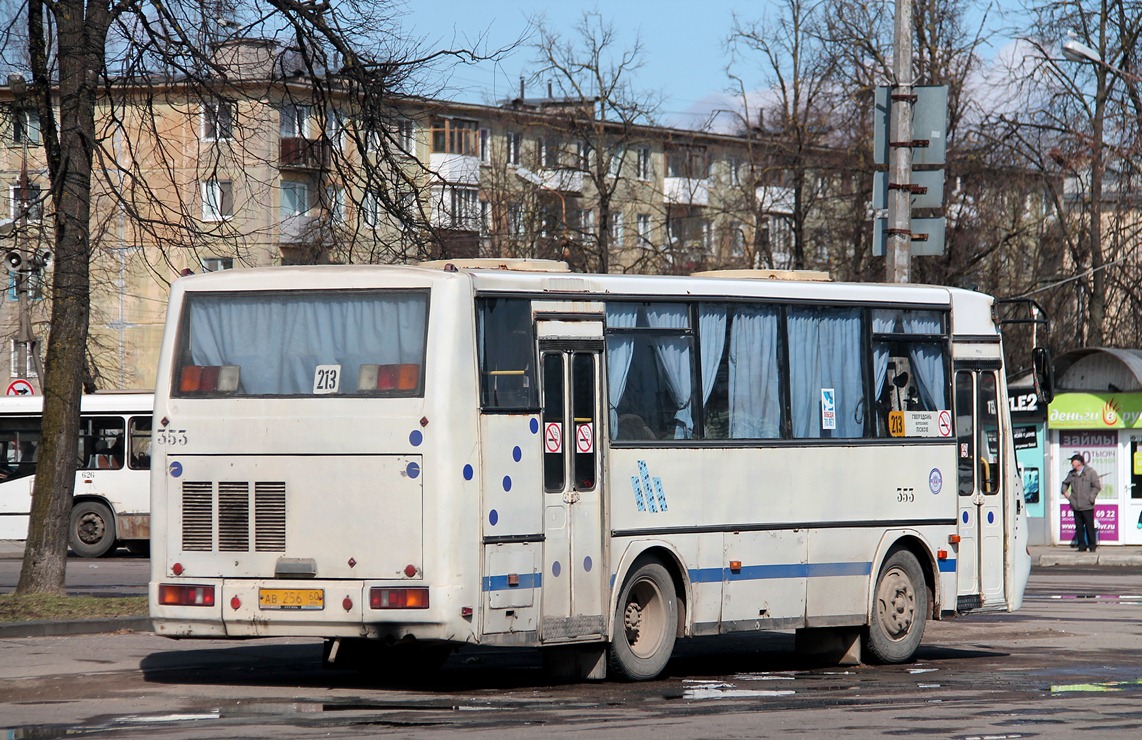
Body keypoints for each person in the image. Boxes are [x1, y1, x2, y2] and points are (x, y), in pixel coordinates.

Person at [1061, 453, 1102, 552]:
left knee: (1089, 526)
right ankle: (1081, 546)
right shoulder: (1072, 474)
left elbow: (1097, 486)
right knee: (1079, 527)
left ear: (1080, 464)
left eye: (1074, 464)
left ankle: (1092, 546)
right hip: (1076, 505)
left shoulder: (1090, 472)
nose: (1073, 466)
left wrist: (1091, 498)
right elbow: (1065, 484)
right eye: (1072, 465)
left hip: (1088, 505)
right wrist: (1068, 496)